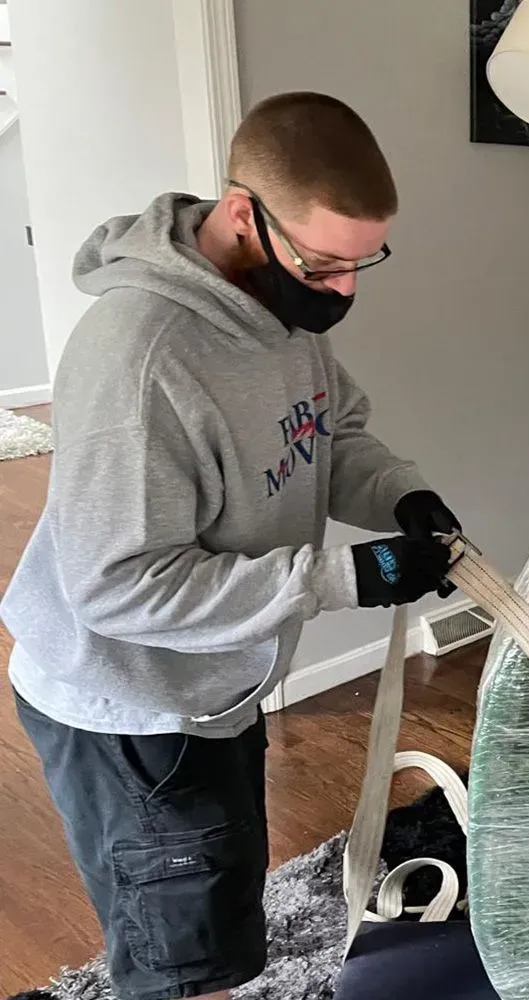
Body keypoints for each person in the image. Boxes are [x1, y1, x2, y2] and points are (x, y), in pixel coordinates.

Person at [0, 92, 457, 1000]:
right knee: (179, 965)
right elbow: (118, 588)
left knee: (220, 901)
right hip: (129, 705)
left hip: (214, 682)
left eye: (365, 263)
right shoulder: (142, 361)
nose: (345, 290)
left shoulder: (278, 315)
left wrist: (402, 495)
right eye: (325, 263)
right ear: (245, 215)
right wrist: (345, 577)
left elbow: (332, 433)